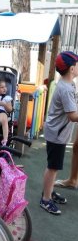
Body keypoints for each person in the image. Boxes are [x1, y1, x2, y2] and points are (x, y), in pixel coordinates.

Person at [40, 51, 78, 215]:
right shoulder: (66, 89)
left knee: (54, 166)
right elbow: (72, 116)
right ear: (71, 68)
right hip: (57, 134)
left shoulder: (69, 84)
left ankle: (48, 192)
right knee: (53, 167)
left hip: (57, 132)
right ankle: (45, 199)